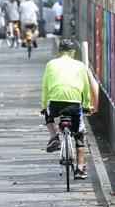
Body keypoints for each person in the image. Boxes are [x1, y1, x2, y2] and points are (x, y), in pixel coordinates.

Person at [41, 39, 91, 180]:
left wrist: (44, 106)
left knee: (48, 115)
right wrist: (86, 104)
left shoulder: (50, 64)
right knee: (79, 134)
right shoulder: (80, 65)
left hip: (56, 103)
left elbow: (45, 87)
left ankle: (54, 137)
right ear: (73, 53)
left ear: (59, 52)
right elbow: (86, 87)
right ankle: (79, 169)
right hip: (74, 103)